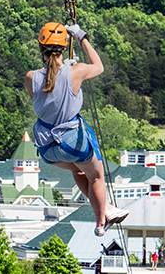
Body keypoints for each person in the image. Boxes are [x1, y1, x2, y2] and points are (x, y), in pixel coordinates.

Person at [24, 22, 129, 236]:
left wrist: (67, 70)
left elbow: (44, 97)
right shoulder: (76, 72)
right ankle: (101, 222)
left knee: (78, 170)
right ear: (63, 48)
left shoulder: (30, 77)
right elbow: (99, 66)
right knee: (97, 176)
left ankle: (104, 208)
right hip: (72, 141)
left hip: (47, 147)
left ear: (41, 49)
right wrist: (82, 37)